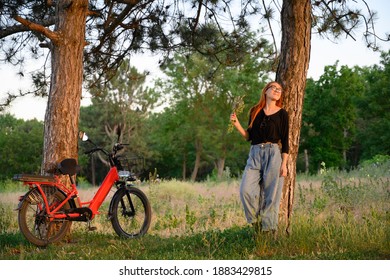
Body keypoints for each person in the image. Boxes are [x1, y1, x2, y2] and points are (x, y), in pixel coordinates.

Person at [230, 81, 289, 236]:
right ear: (266, 91)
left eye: (279, 90)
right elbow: (248, 136)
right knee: (245, 190)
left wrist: (284, 164)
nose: (277, 91)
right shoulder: (255, 111)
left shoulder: (282, 114)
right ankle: (256, 223)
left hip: (274, 153)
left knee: (272, 196)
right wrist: (237, 124)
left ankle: (268, 231)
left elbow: (286, 140)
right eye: (274, 88)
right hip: (255, 153)